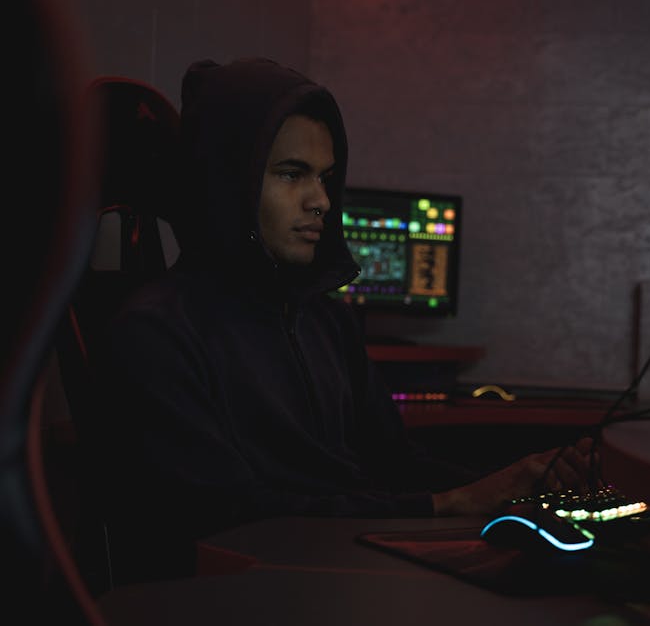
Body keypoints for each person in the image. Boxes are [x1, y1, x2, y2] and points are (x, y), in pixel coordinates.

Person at [91, 57, 595, 585]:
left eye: (326, 178)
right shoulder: (156, 333)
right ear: (227, 180)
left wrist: (512, 485)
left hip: (344, 563)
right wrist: (452, 503)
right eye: (292, 174)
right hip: (261, 587)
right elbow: (228, 519)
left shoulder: (326, 321)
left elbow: (393, 463)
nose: (321, 201)